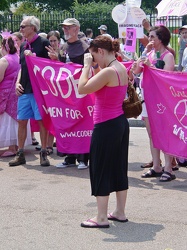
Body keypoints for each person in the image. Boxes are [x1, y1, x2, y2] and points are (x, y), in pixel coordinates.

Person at [78, 35, 129, 228]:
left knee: (100, 168)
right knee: (118, 167)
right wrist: (94, 66)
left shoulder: (109, 72)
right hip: (119, 123)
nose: (94, 61)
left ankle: (101, 217)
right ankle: (120, 211)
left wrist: (85, 66)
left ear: (100, 51)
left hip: (106, 124)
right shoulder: (120, 67)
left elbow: (82, 88)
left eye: (94, 56)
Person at [133, 25, 176, 182]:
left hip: (161, 101)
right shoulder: (149, 53)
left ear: (161, 39)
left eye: (152, 37)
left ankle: (169, 168)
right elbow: (136, 72)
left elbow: (168, 78)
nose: (149, 40)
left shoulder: (167, 56)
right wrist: (142, 57)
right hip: (147, 98)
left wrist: (151, 67)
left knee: (163, 132)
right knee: (151, 134)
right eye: (149, 36)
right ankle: (156, 166)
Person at [48, 18, 90, 169]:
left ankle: (83, 158)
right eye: (64, 28)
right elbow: (61, 68)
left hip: (80, 93)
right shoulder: (63, 46)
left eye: (68, 28)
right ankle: (69, 157)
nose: (65, 30)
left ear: (76, 29)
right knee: (67, 123)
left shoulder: (85, 47)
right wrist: (55, 59)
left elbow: (87, 68)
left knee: (82, 123)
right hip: (66, 93)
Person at [9, 16, 51, 167]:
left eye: (23, 26)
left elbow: (50, 65)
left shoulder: (43, 43)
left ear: (32, 27)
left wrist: (34, 57)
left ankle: (44, 153)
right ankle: (20, 153)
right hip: (25, 89)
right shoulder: (23, 45)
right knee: (21, 121)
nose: (20, 29)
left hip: (38, 90)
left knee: (41, 121)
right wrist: (18, 82)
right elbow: (22, 67)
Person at [0, 36, 30, 157]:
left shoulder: (4, 60)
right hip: (18, 92)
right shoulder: (18, 58)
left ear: (4, 47)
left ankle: (12, 148)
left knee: (7, 119)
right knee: (16, 119)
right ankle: (17, 146)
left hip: (6, 94)